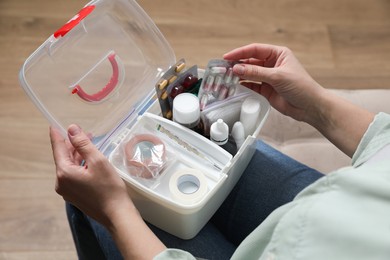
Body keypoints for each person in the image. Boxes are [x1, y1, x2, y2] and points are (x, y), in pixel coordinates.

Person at [50, 43, 390, 260]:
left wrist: (112, 211)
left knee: (86, 178)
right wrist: (318, 107)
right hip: (338, 204)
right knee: (105, 154)